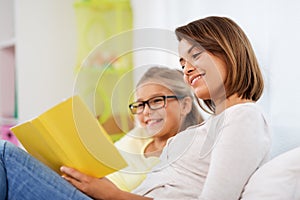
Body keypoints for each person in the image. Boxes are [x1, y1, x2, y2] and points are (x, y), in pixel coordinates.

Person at [59, 16, 271, 200]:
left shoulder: (244, 116)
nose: (187, 69)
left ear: (229, 51)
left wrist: (113, 195)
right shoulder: (215, 125)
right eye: (182, 64)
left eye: (195, 55)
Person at [0, 66, 202, 199]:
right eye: (139, 105)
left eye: (157, 100)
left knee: (4, 154)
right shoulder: (138, 135)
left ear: (185, 105)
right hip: (81, 190)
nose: (146, 112)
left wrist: (110, 194)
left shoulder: (191, 152)